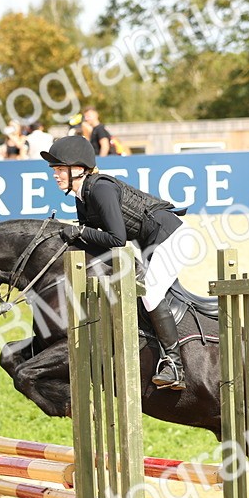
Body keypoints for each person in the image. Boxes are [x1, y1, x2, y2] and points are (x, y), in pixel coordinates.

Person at [41, 135, 187, 390]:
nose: (55, 174)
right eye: (54, 170)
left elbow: (116, 239)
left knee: (150, 294)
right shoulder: (81, 195)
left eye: (59, 169)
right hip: (151, 243)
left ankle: (175, 366)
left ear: (78, 169)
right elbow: (93, 238)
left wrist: (78, 232)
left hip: (172, 238)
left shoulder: (100, 189)